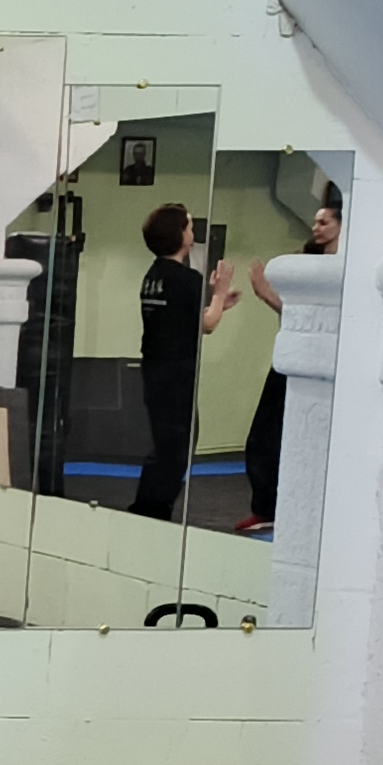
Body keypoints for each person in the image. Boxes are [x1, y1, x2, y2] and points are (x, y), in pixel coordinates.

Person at [236, 182, 343, 530]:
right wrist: (268, 297)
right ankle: (267, 507)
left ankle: (293, 510)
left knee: (302, 440)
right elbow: (298, 317)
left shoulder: (343, 272)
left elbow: (320, 319)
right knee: (263, 437)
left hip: (322, 361)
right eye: (316, 221)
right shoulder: (310, 265)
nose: (316, 227)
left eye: (324, 222)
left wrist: (268, 295)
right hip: (292, 359)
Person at [128, 198, 238, 523]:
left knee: (165, 446)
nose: (193, 231)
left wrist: (218, 303)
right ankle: (151, 510)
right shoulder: (187, 279)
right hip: (176, 375)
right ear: (180, 234)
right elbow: (207, 325)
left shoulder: (153, 276)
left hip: (155, 371)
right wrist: (219, 293)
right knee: (176, 450)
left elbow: (183, 319)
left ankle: (147, 508)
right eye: (189, 226)